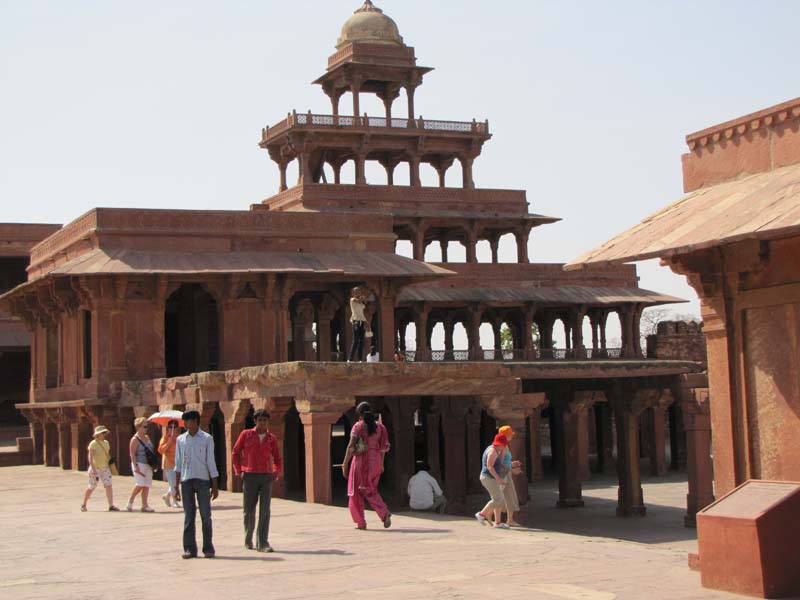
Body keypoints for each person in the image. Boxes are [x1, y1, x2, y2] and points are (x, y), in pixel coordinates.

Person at [232, 408, 282, 553]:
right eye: (259, 420)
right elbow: (235, 452)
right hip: (249, 475)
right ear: (255, 421)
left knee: (265, 510)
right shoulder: (246, 435)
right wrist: (239, 470)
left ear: (268, 422)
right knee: (249, 510)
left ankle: (263, 542)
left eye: (265, 421)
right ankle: (248, 538)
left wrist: (276, 472)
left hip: (266, 476)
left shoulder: (271, 438)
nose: (262, 423)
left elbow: (278, 458)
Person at [174, 410, 219, 559]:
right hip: (186, 480)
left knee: (206, 515)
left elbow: (211, 462)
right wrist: (175, 485)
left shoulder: (207, 439)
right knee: (189, 516)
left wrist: (215, 484)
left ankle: (208, 548)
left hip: (202, 480)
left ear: (194, 421)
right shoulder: (181, 440)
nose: (184, 424)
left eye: (186, 421)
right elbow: (178, 463)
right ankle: (189, 549)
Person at [341, 401, 391, 530]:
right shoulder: (381, 428)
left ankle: (361, 522)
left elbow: (351, 447)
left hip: (361, 462)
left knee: (355, 492)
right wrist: (381, 464)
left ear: (359, 414)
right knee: (371, 490)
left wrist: (345, 463)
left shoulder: (358, 427)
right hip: (375, 462)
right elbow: (383, 448)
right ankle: (384, 512)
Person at [81, 425, 119, 512]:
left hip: (105, 467)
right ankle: (84, 504)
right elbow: (90, 457)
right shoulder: (93, 443)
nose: (104, 434)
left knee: (109, 485)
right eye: (102, 433)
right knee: (92, 486)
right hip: (96, 467)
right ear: (97, 434)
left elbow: (107, 455)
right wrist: (94, 469)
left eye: (104, 433)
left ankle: (111, 505)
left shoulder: (106, 443)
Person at [475, 434, 509, 529]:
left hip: (491, 478)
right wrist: (499, 479)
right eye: (504, 444)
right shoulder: (492, 451)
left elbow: (499, 463)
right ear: (501, 444)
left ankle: (497, 523)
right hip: (488, 478)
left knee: (497, 499)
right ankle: (481, 514)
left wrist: (502, 452)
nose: (505, 446)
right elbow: (490, 466)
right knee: (498, 499)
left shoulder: (497, 450)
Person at [126, 417, 156, 513]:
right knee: (140, 484)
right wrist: (135, 466)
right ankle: (130, 502)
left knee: (146, 485)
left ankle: (145, 505)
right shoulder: (134, 439)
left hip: (148, 464)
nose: (146, 428)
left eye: (147, 427)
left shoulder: (147, 437)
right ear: (138, 427)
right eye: (144, 426)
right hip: (139, 463)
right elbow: (132, 454)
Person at [498, 425, 523, 527]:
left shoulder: (506, 446)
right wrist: (512, 469)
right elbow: (499, 463)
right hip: (502, 475)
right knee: (499, 497)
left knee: (510, 495)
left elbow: (506, 462)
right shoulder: (501, 447)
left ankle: (510, 520)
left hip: (506, 474)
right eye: (510, 435)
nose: (511, 437)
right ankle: (494, 519)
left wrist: (512, 465)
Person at [158, 419, 181, 508]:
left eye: (174, 427)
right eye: (170, 427)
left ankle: (167, 496)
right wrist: (169, 442)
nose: (172, 429)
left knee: (176, 483)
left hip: (178, 463)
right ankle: (174, 500)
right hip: (168, 464)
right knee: (173, 484)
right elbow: (161, 450)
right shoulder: (165, 437)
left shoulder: (179, 438)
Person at [347, 287, 368, 362]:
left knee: (361, 341)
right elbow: (359, 301)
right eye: (356, 291)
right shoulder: (352, 300)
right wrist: (363, 298)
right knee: (355, 340)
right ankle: (350, 359)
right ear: (353, 293)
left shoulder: (361, 302)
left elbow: (362, 311)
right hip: (355, 321)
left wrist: (366, 322)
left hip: (362, 321)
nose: (358, 293)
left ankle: (360, 359)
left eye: (359, 291)